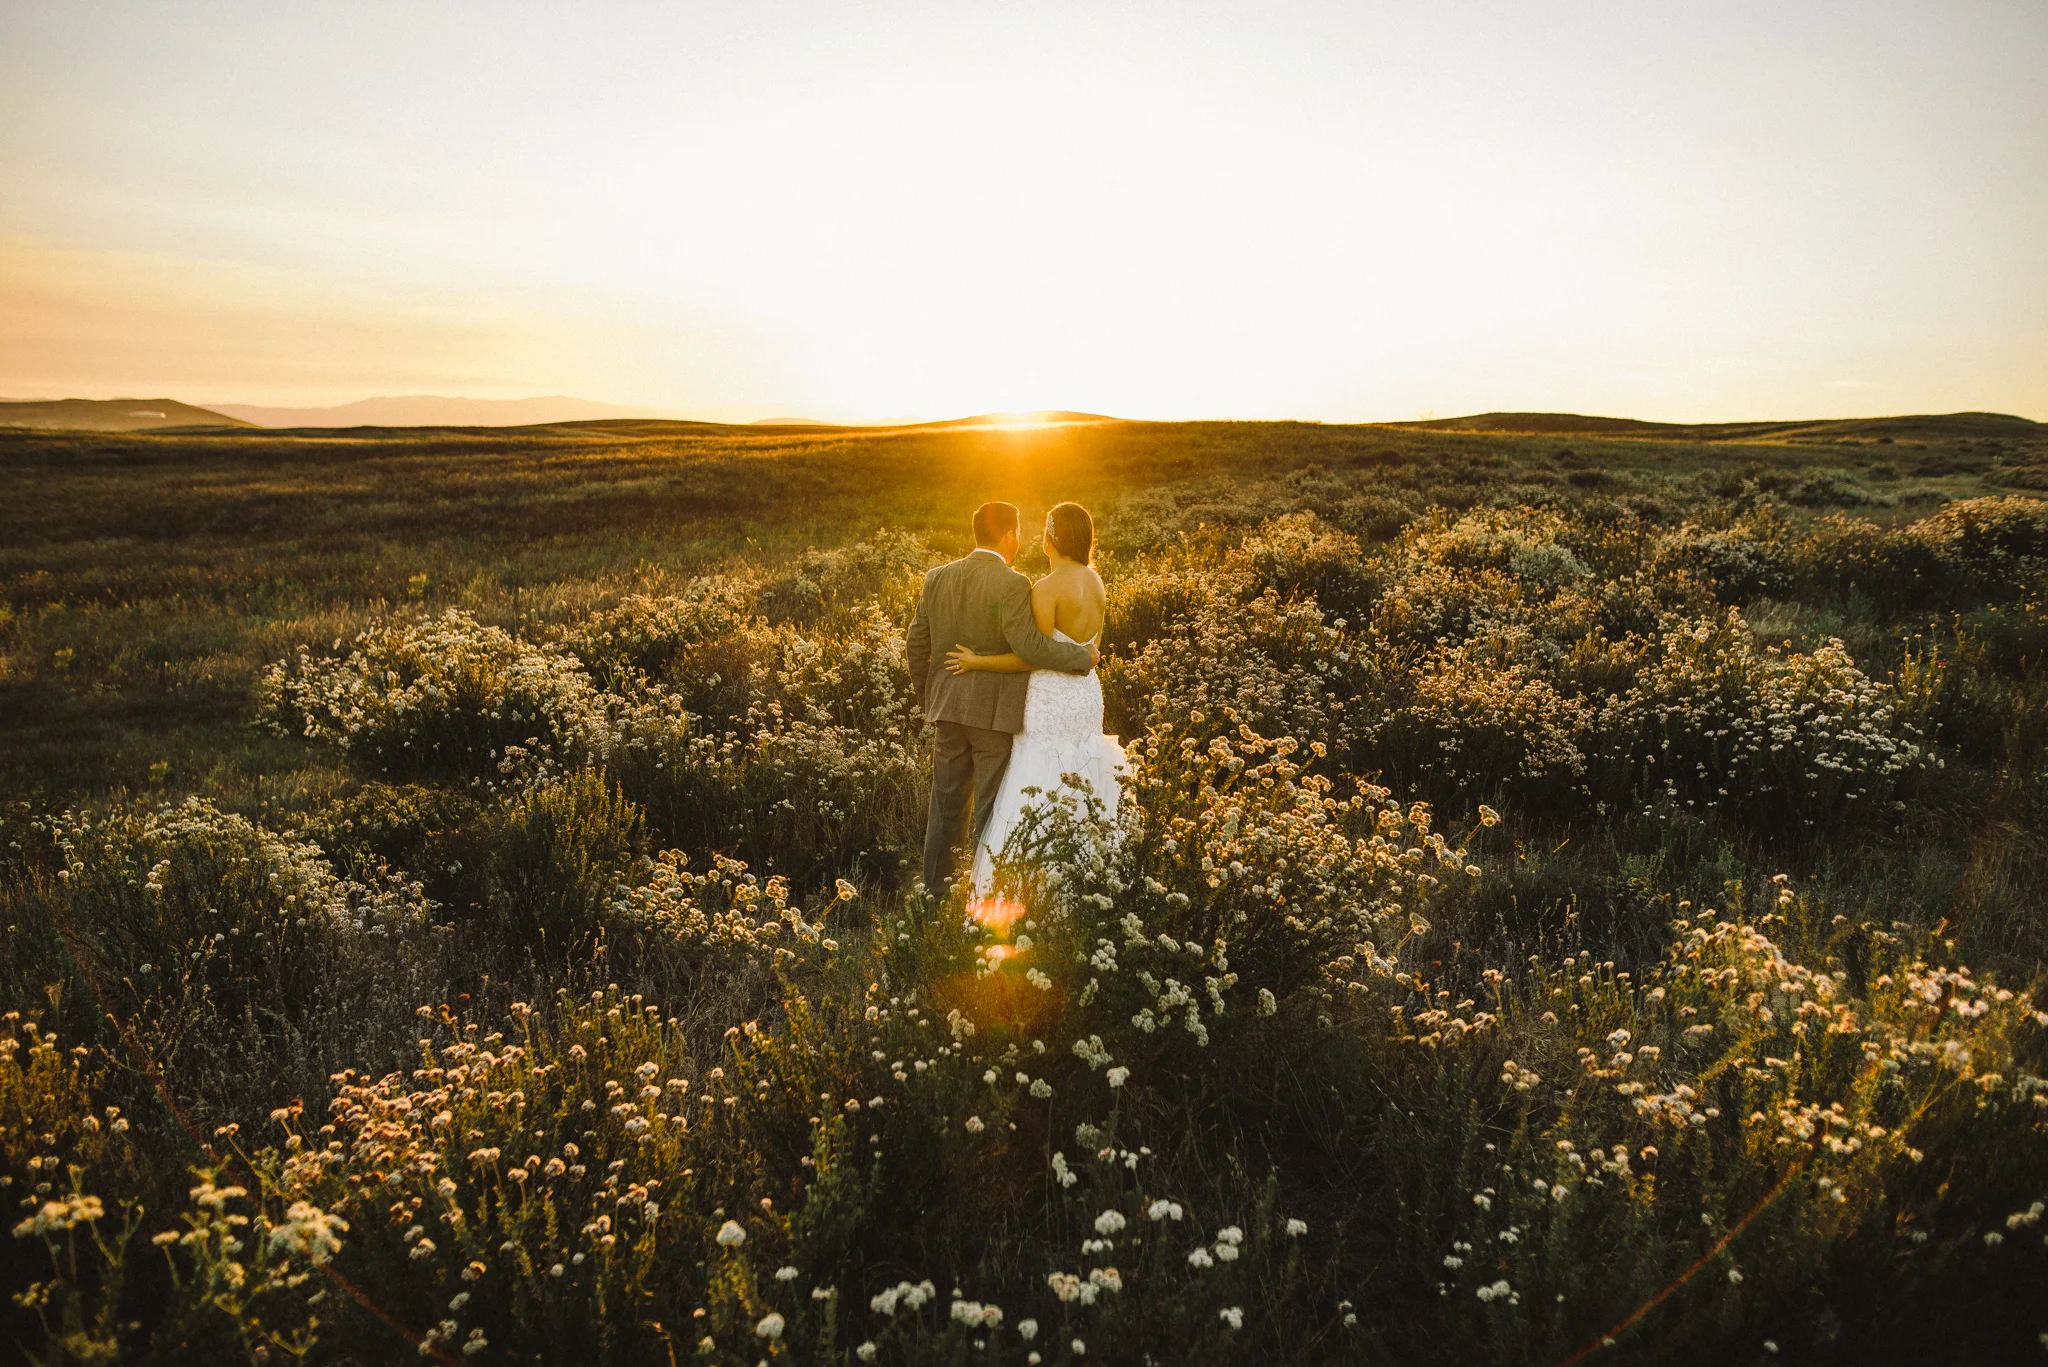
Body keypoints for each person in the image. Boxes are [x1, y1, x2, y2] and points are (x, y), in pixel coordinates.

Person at [907, 501, 1099, 894]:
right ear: (1010, 537)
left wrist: (930, 698)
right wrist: (1082, 656)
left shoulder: (936, 577)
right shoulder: (1014, 583)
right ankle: (984, 897)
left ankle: (935, 895)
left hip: (946, 711)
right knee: (992, 811)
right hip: (993, 715)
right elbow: (1031, 648)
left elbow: (915, 645)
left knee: (945, 809)